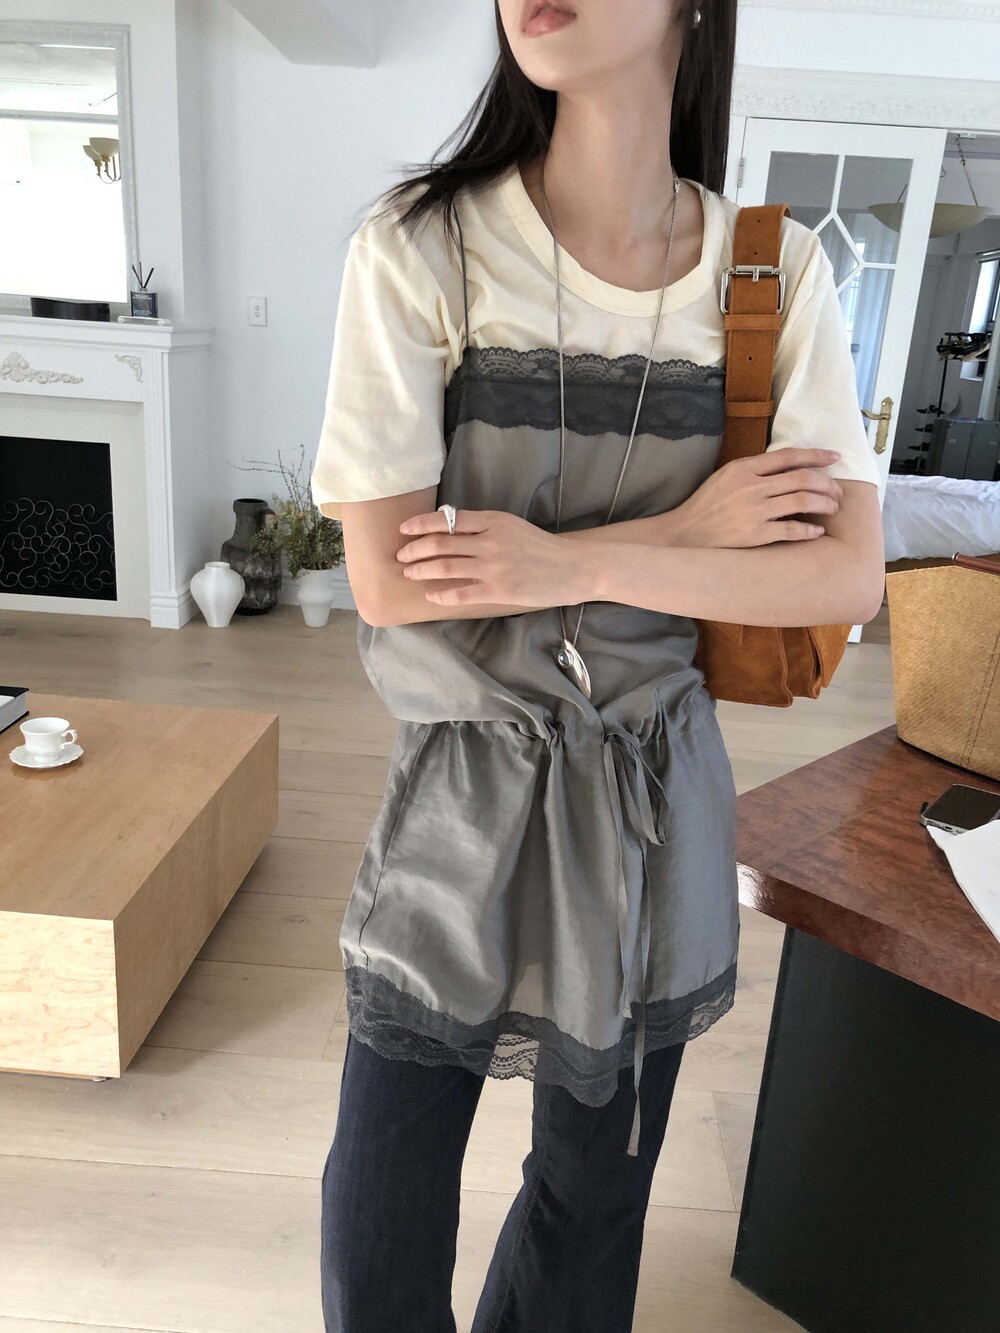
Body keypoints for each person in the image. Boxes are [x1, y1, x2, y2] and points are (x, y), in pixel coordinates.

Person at [311, 1, 886, 1329]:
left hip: (652, 802)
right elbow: (391, 578)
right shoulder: (426, 243)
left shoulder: (770, 270)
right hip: (464, 782)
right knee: (387, 1187)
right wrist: (684, 535)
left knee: (596, 1193)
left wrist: (551, 564)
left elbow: (843, 575)